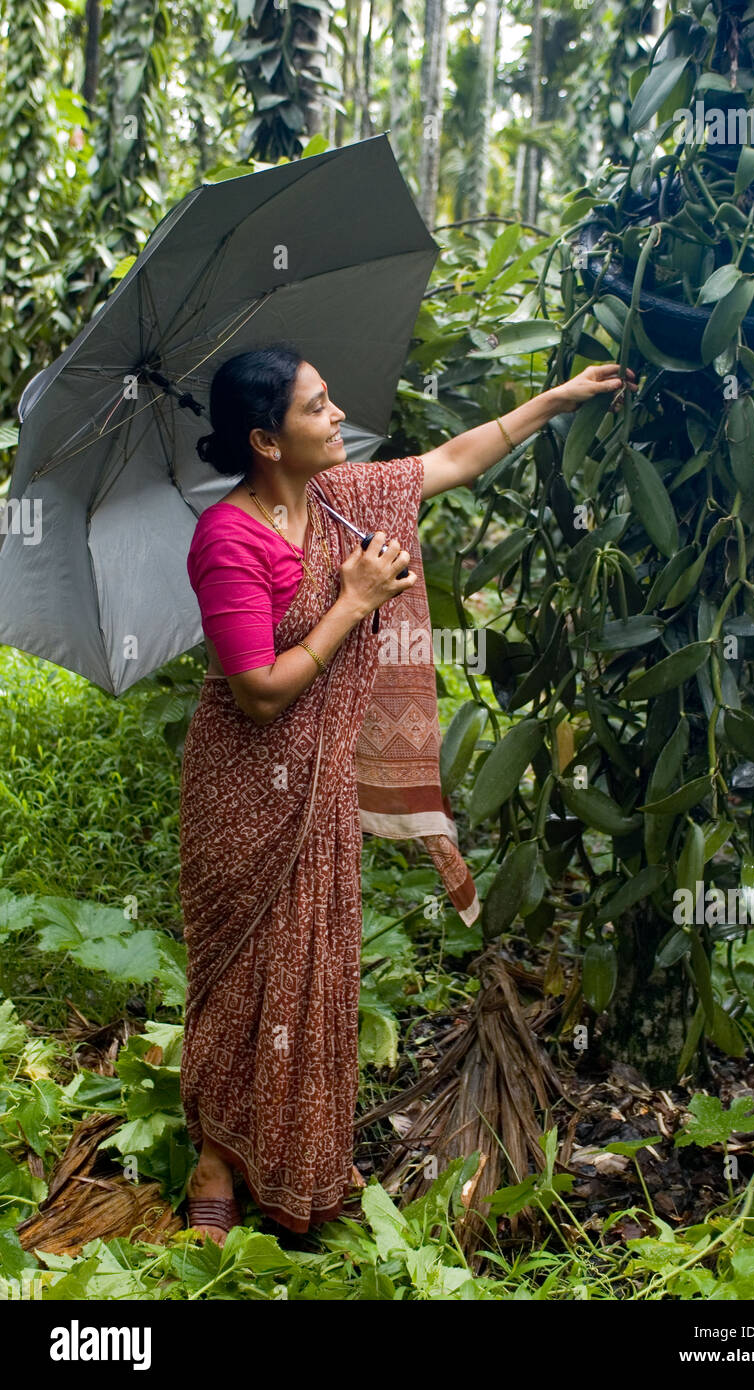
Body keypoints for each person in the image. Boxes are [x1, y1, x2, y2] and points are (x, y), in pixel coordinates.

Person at [180, 340, 636, 1244]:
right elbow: (260, 694)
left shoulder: (341, 504)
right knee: (241, 982)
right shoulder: (226, 539)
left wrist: (556, 399)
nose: (338, 412)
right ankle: (216, 1157)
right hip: (248, 788)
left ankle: (288, 1159)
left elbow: (453, 462)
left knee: (312, 972)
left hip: (322, 784)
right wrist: (352, 601)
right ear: (267, 441)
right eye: (317, 405)